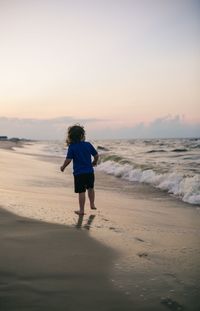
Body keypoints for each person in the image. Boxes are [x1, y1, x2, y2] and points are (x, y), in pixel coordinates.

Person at [60, 125, 99, 215]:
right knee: (91, 188)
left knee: (81, 191)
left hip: (79, 173)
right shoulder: (88, 145)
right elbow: (96, 155)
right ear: (82, 135)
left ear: (70, 136)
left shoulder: (72, 147)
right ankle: (92, 204)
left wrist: (63, 167)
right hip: (89, 172)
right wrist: (94, 162)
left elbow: (68, 160)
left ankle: (81, 210)